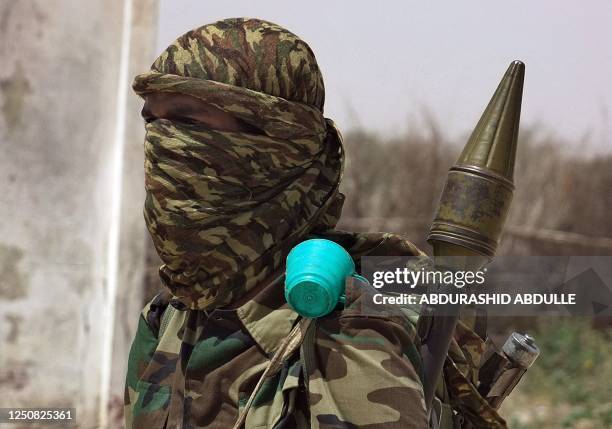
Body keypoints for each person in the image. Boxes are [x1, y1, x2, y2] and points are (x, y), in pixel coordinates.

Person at [124, 17, 430, 429]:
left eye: (187, 122)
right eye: (152, 122)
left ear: (274, 147)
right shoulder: (171, 314)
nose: (161, 143)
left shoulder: (347, 332)